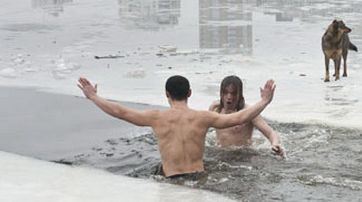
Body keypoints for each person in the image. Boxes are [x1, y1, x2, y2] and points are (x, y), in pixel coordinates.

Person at [77, 75, 276, 178]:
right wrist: (265, 101)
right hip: (200, 178)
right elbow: (239, 118)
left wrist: (94, 97)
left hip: (170, 180)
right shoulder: (204, 117)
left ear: (166, 94)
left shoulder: (156, 118)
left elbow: (121, 112)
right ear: (189, 93)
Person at [209, 75, 285, 157]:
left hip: (243, 155)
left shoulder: (249, 112)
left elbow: (270, 132)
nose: (229, 97)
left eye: (233, 93)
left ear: (240, 94)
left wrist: (275, 144)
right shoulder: (215, 108)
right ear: (221, 93)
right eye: (226, 92)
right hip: (221, 153)